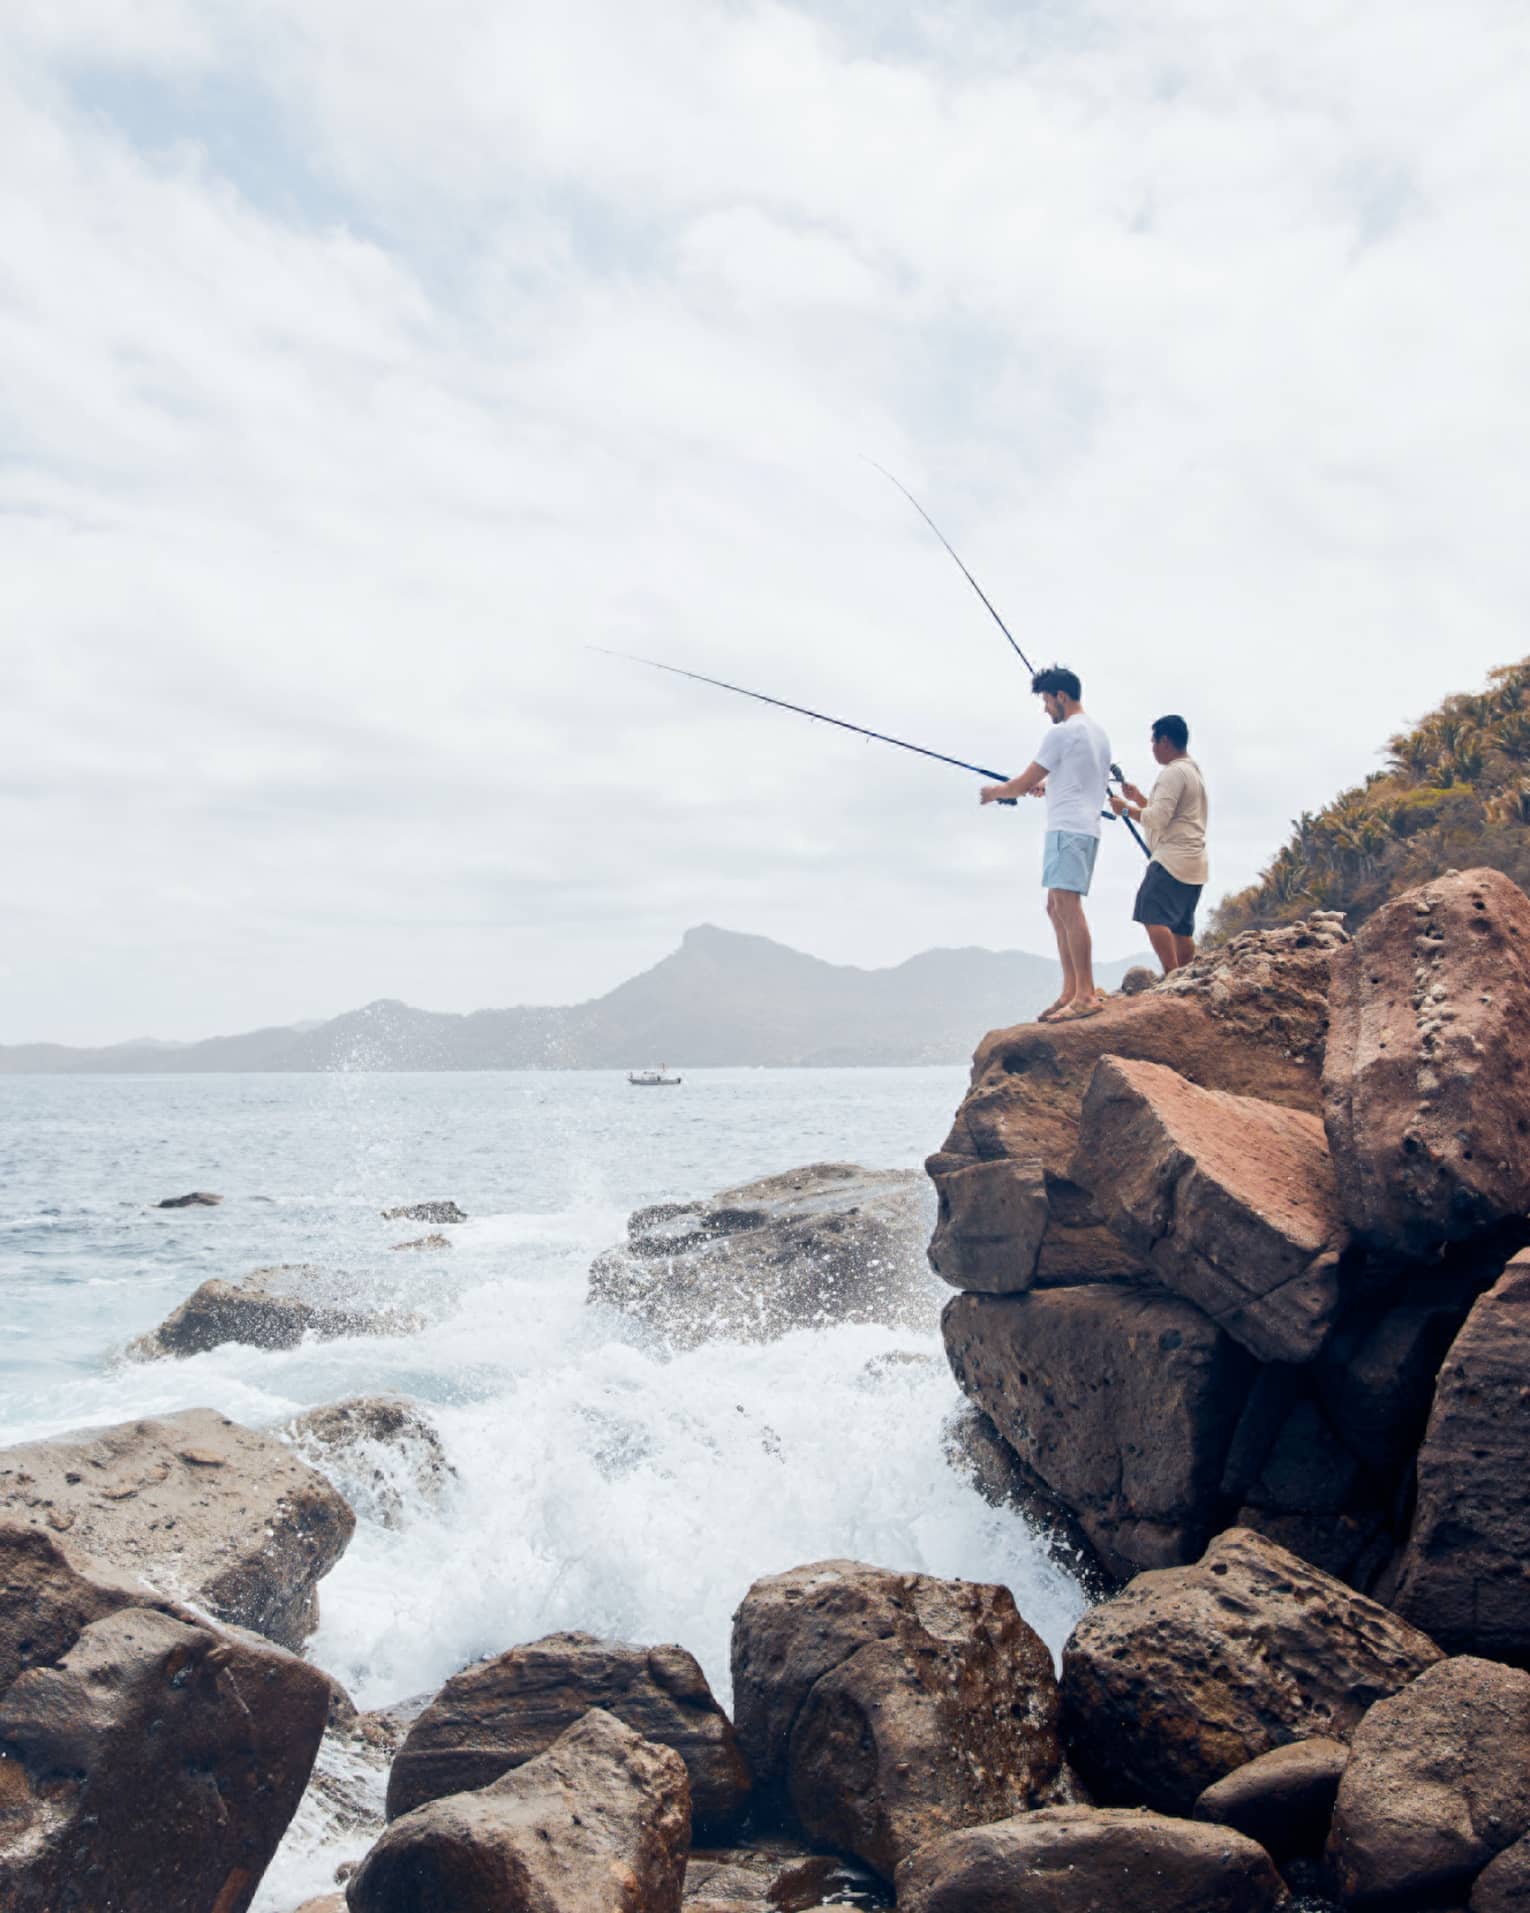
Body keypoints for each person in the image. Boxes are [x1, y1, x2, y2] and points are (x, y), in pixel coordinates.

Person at [981, 665, 1113, 1022]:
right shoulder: (1098, 734)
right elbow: (1081, 780)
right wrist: (1049, 785)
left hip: (1067, 829)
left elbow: (1020, 783)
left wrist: (994, 792)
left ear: (1060, 697)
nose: (1044, 709)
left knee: (1068, 908)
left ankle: (1085, 993)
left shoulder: (1063, 733)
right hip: (1084, 827)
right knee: (1056, 907)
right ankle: (1071, 989)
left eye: (1045, 700)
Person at [1110, 713, 1209, 974]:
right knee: (1180, 926)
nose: (1152, 748)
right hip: (1194, 862)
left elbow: (1158, 818)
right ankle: (1186, 976)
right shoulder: (1191, 770)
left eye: (1153, 741)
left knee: (1150, 910)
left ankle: (1171, 974)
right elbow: (1171, 814)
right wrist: (1140, 798)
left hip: (1172, 859)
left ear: (1164, 741)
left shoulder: (1173, 773)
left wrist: (1124, 809)